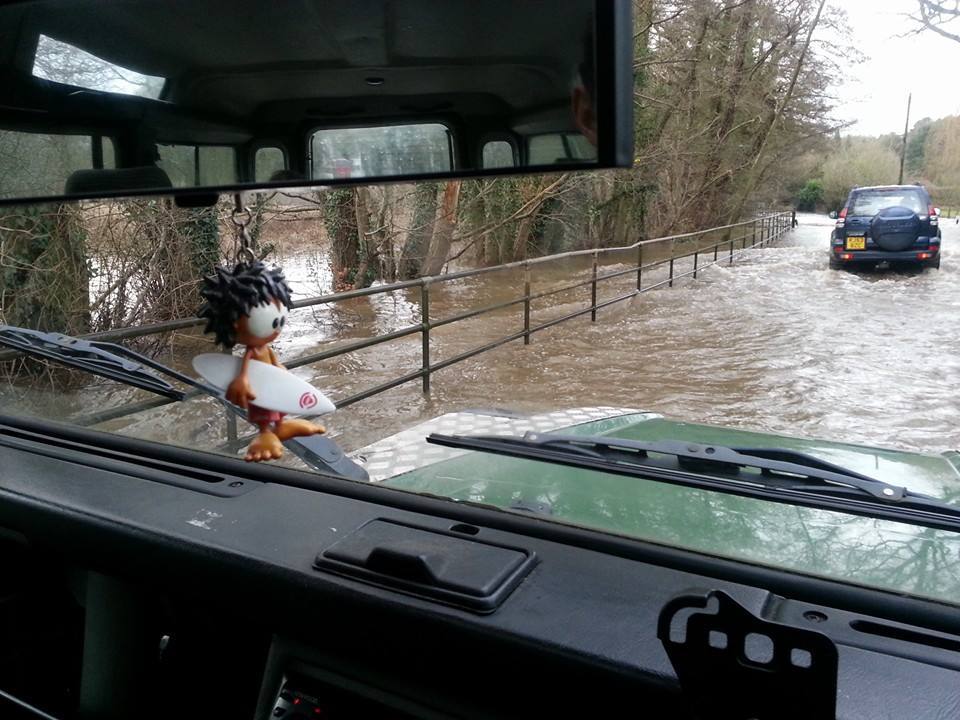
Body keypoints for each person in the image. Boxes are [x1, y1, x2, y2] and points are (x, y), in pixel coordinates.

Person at [198, 261, 326, 462]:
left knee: (278, 405)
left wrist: (279, 369)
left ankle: (282, 426)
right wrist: (242, 381)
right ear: (233, 323)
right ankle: (265, 433)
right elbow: (245, 369)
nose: (276, 328)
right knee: (265, 410)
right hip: (259, 388)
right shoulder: (252, 352)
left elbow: (273, 359)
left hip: (271, 382)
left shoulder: (264, 348)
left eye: (280, 320)